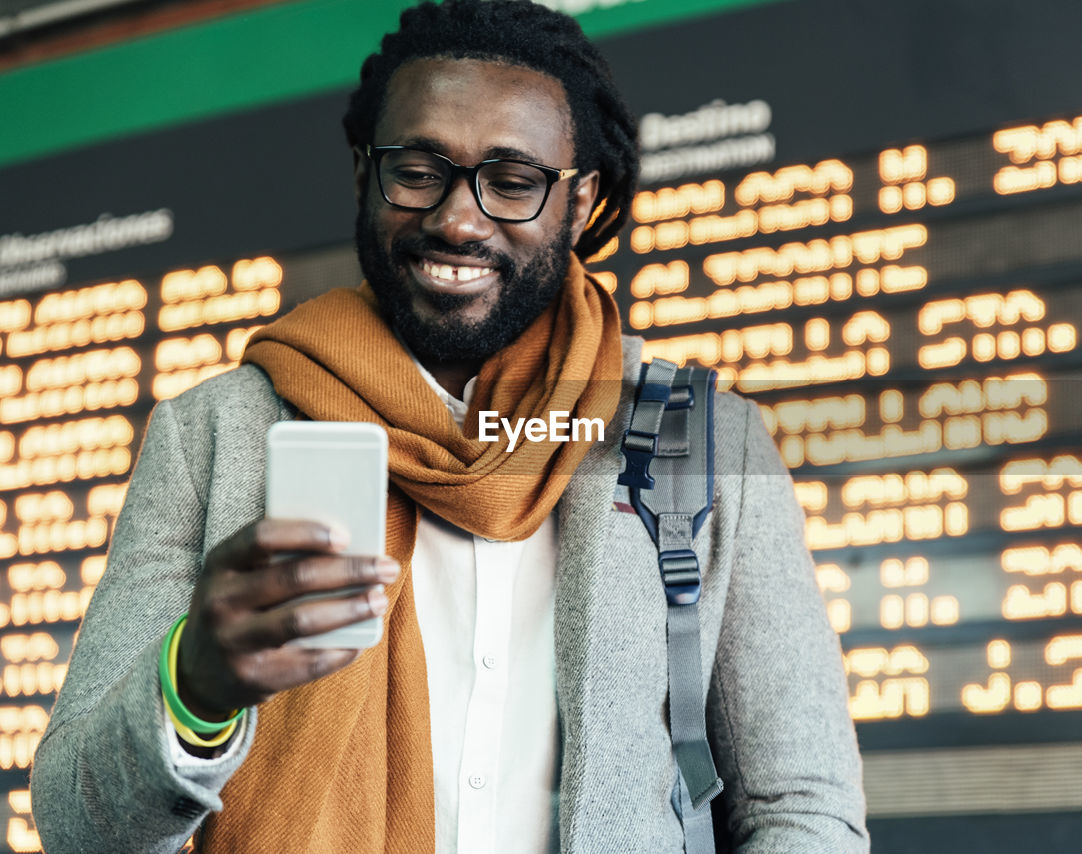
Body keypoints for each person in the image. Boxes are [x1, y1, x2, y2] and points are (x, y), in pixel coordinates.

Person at [30, 1, 869, 851]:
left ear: (580, 204)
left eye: (512, 181)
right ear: (364, 173)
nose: (458, 220)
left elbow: (801, 807)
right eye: (420, 170)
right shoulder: (210, 436)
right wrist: (194, 689)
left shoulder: (706, 441)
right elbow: (73, 826)